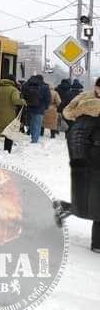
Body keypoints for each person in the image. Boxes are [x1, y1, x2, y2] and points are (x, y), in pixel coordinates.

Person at [54, 77, 100, 254]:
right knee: (94, 203)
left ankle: (65, 208)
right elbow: (76, 137)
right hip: (92, 163)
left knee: (92, 202)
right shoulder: (90, 109)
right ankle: (97, 244)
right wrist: (81, 160)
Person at [21, 74, 51, 143]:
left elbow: (22, 94)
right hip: (40, 108)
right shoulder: (45, 87)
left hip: (28, 107)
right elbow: (48, 98)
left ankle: (32, 136)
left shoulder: (27, 85)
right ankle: (34, 140)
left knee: (31, 123)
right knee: (37, 124)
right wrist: (46, 107)